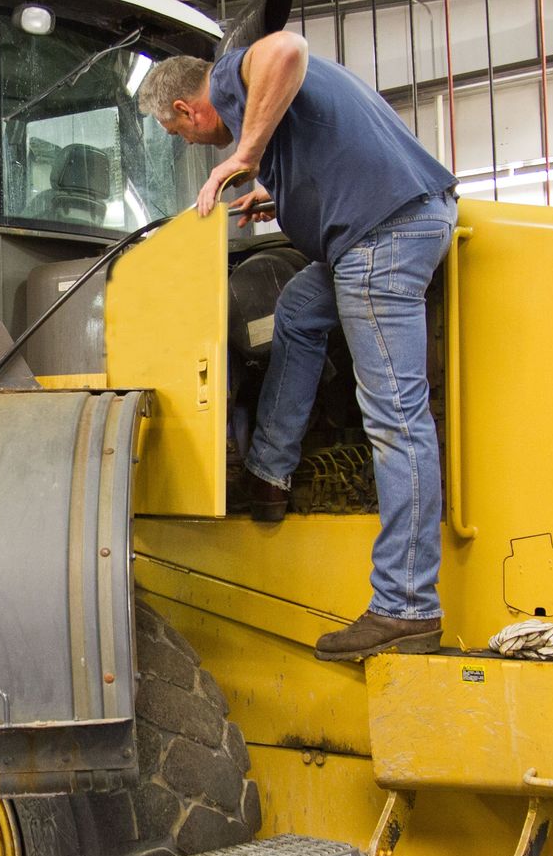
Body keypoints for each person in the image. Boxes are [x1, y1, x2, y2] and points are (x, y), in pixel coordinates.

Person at [138, 33, 458, 661]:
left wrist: (242, 157)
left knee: (395, 420)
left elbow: (286, 48)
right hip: (392, 226)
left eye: (178, 134)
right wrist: (275, 194)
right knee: (300, 309)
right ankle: (269, 469)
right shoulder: (268, 109)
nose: (189, 143)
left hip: (381, 238)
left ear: (186, 110)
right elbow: (334, 152)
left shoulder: (234, 78)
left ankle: (406, 606)